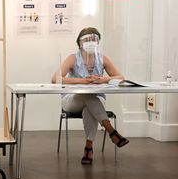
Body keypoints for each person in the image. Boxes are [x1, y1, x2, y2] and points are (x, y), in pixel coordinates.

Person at [51, 27, 129, 165]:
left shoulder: (103, 58)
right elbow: (55, 79)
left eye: (94, 39)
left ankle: (89, 148)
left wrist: (102, 79)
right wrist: (83, 81)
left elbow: (121, 77)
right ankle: (110, 130)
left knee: (90, 106)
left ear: (98, 42)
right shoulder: (72, 58)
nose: (91, 42)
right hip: (72, 100)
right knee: (87, 94)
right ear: (80, 43)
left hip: (95, 101)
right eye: (87, 39)